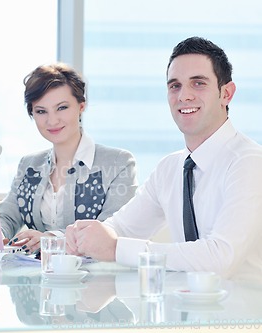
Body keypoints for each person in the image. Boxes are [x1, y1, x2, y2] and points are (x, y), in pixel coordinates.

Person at [66, 37, 262, 282]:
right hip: (187, 312)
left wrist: (116, 249)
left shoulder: (249, 163)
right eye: (175, 86)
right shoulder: (170, 168)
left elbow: (220, 259)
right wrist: (81, 236)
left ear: (226, 94)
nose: (184, 96)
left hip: (244, 316)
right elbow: (122, 228)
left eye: (198, 83)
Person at [0, 63, 138, 253]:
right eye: (41, 111)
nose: (52, 120)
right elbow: (7, 215)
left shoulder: (118, 162)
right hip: (40, 277)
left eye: (62, 108)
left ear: (81, 106)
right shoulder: (29, 165)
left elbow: (112, 228)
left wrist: (50, 239)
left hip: (97, 278)